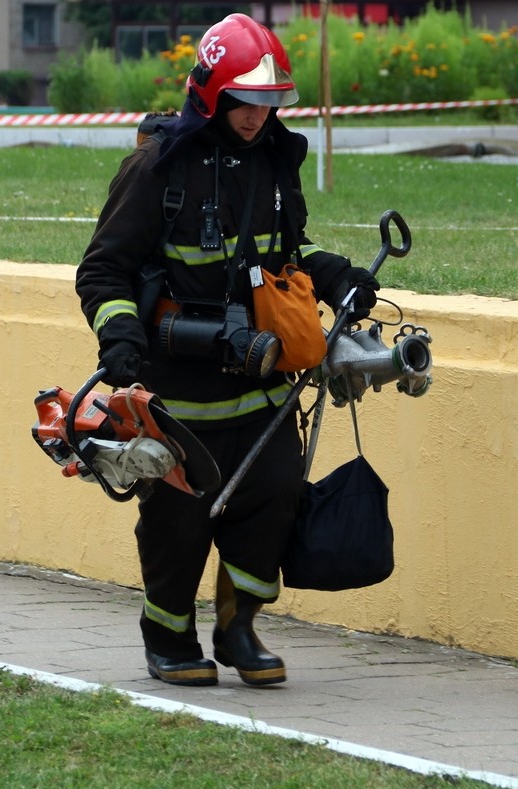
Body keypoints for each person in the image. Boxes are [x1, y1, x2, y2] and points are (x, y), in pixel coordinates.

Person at [74, 13, 378, 688]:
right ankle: (168, 633)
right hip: (176, 393)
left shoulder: (274, 161)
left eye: (269, 102)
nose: (256, 116)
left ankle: (239, 628)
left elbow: (282, 257)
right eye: (245, 101)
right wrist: (121, 341)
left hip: (262, 385)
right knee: (180, 521)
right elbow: (103, 272)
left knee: (272, 496)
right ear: (211, 93)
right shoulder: (158, 169)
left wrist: (335, 277)